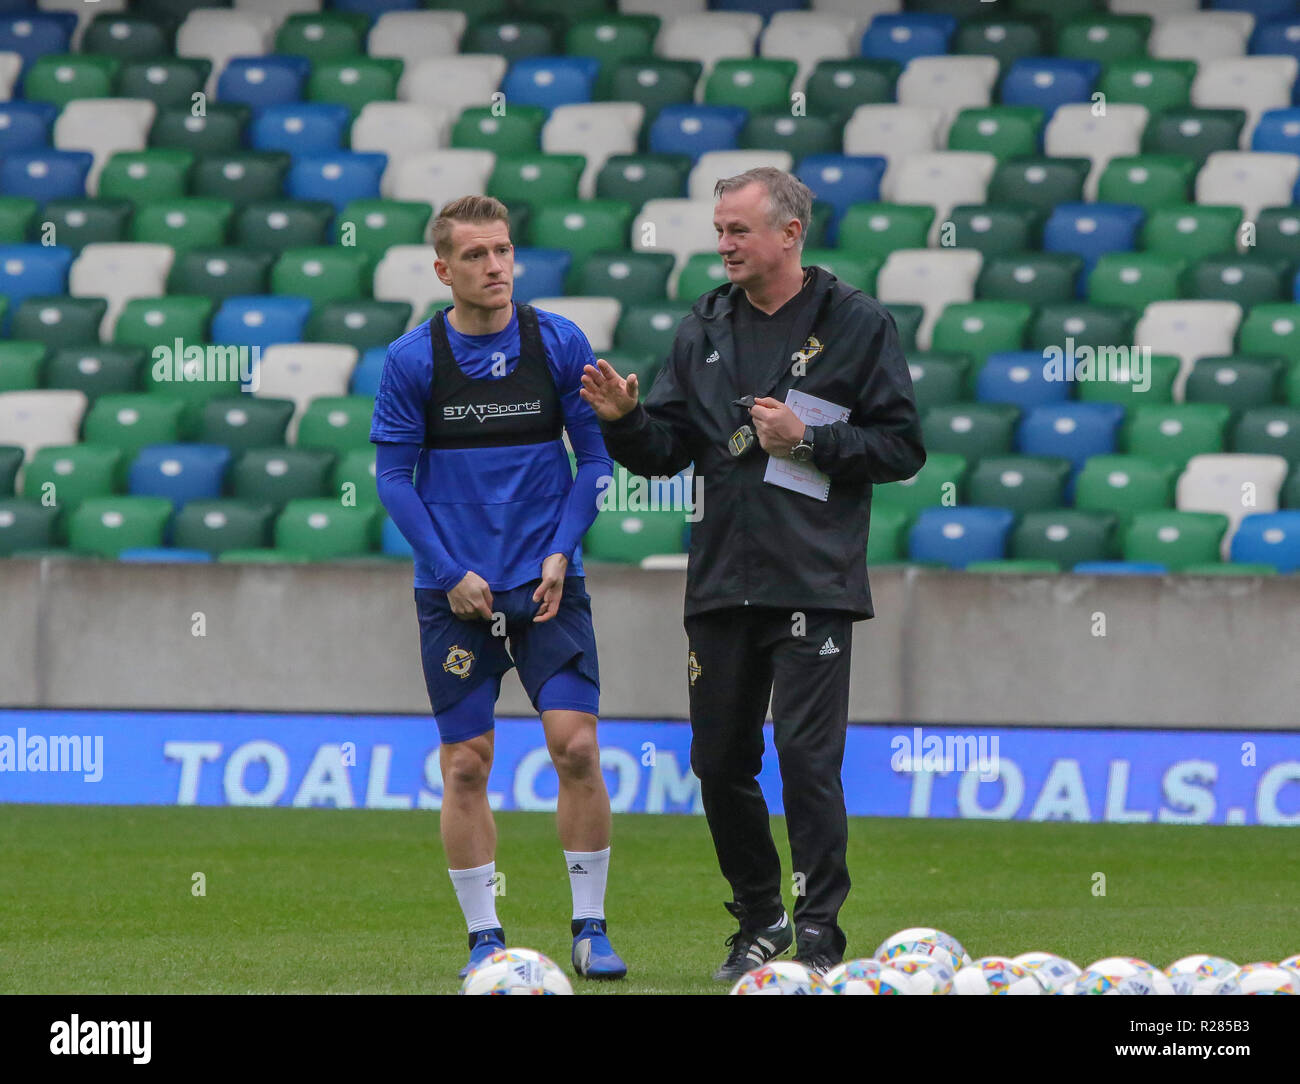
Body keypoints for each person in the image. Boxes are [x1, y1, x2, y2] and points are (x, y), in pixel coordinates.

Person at [579, 167, 925, 979]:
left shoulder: (856, 324)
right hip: (720, 583)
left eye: (739, 230)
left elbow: (903, 449)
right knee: (719, 761)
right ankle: (759, 915)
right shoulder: (701, 328)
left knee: (808, 760)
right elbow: (665, 453)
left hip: (812, 581)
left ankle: (817, 933)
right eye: (720, 229)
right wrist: (626, 423)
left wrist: (808, 438)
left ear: (790, 233)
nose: (724, 244)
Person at [370, 194, 627, 981]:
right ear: (444, 269)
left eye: (504, 251)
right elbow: (392, 479)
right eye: (477, 256)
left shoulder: (557, 342)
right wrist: (449, 574)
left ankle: (590, 927)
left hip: (547, 582)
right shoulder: (413, 360)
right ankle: (485, 936)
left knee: (576, 747)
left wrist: (560, 551)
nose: (496, 267)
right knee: (466, 766)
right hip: (457, 594)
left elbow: (596, 461)